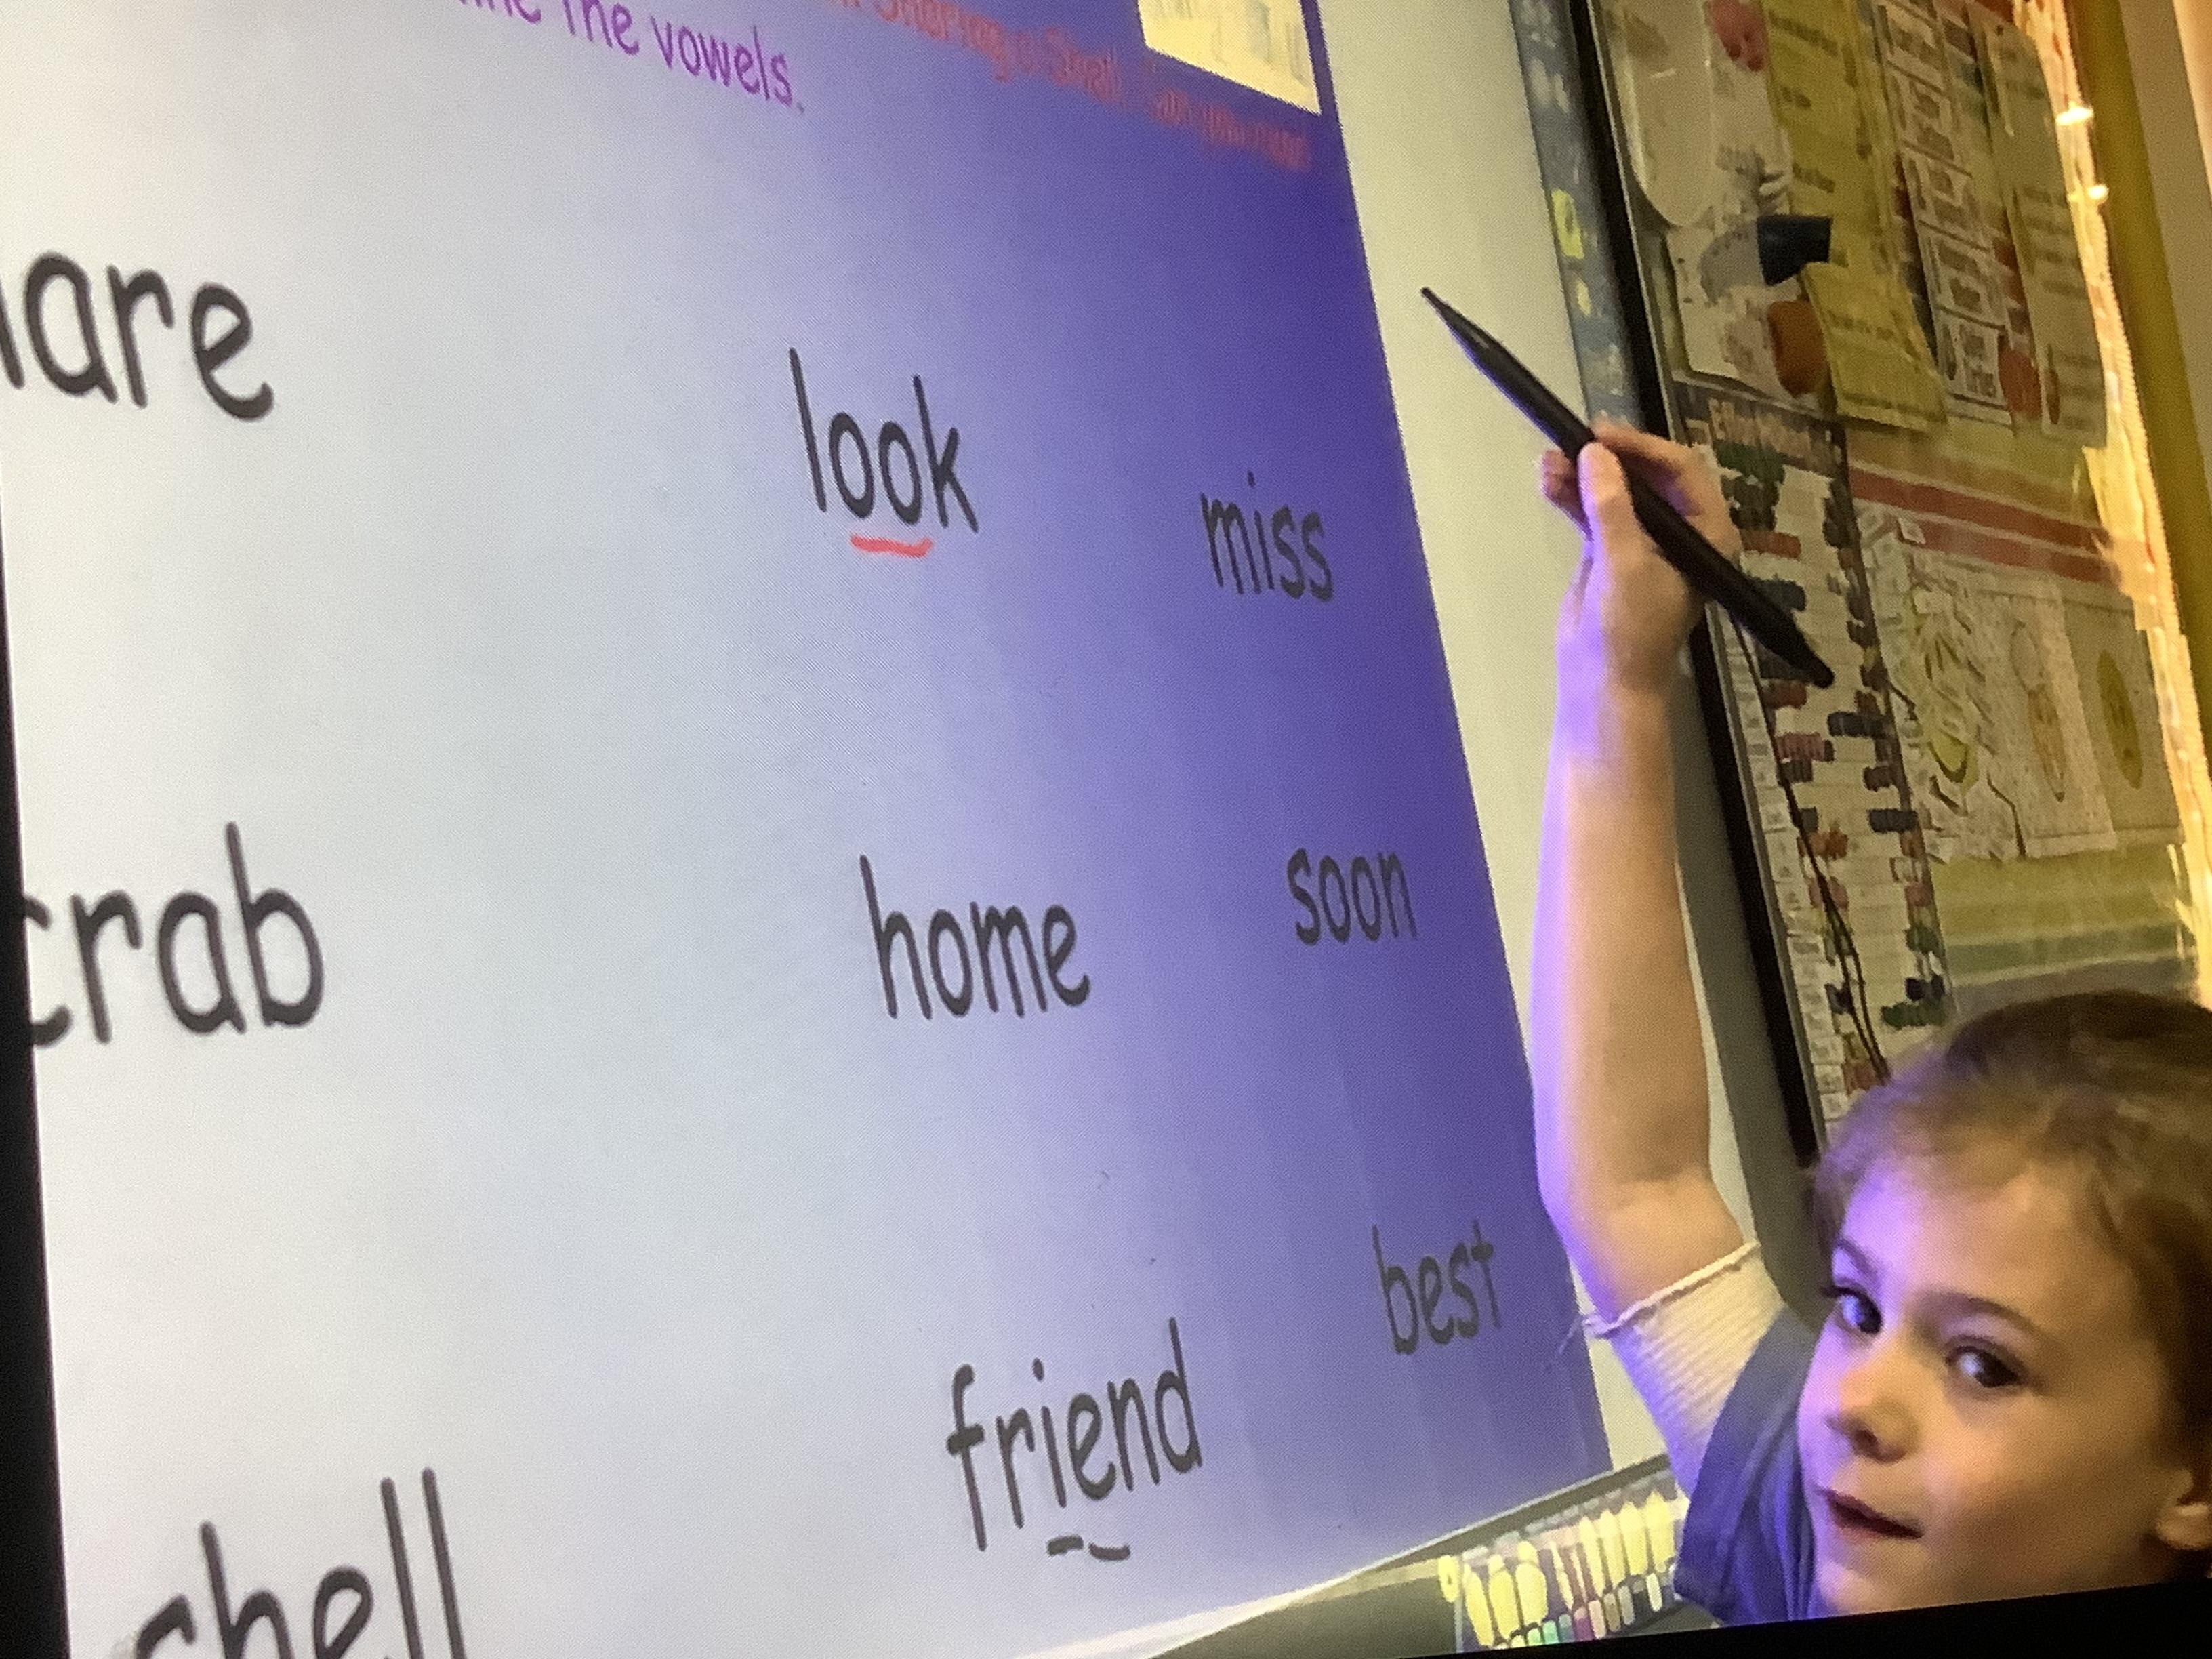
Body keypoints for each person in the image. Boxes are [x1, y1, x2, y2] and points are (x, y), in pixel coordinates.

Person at [1529, 422, 2212, 1622]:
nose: (1851, 1403)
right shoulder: (1823, 1531)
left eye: (1984, 1365)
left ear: (2194, 1481)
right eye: (1857, 1310)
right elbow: (1633, 1186)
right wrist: (1618, 676)